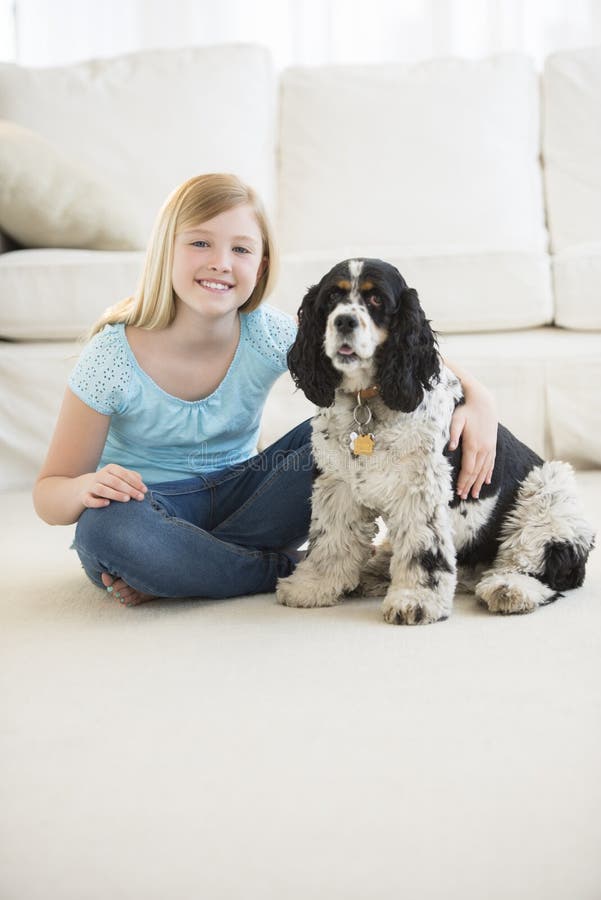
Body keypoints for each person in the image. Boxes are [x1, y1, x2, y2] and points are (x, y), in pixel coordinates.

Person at [33, 173, 498, 608]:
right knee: (103, 530)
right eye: (200, 243)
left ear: (261, 265)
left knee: (334, 430)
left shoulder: (264, 332)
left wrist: (479, 397)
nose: (220, 262)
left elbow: (382, 349)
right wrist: (84, 488)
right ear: (164, 252)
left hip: (250, 502)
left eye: (241, 249)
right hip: (149, 512)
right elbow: (49, 492)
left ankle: (183, 572)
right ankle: (263, 568)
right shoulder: (112, 355)